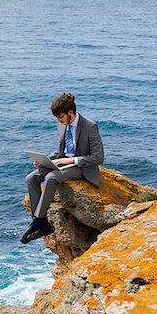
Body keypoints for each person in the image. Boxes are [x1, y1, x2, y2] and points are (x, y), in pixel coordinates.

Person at [21, 92, 104, 244]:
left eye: (60, 117)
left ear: (70, 113)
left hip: (81, 167)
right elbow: (61, 151)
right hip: (63, 162)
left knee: (50, 178)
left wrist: (71, 160)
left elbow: (99, 157)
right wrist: (46, 159)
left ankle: (38, 221)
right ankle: (41, 222)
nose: (59, 121)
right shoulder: (62, 125)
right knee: (31, 178)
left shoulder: (90, 126)